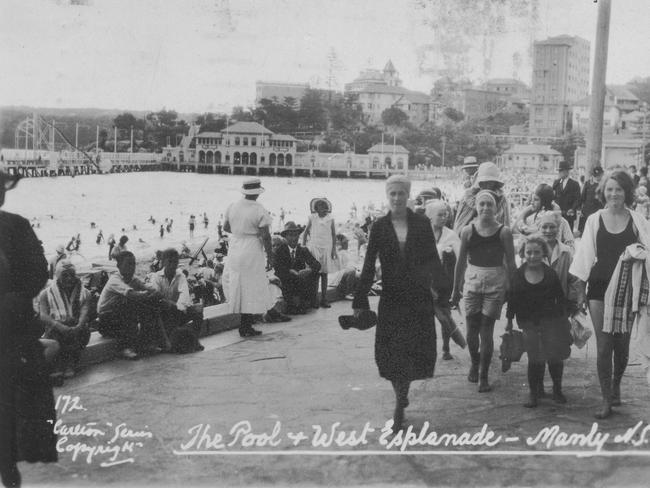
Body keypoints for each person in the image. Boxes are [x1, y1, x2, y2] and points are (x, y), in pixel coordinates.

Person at [352, 175, 443, 433]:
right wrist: (360, 300)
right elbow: (369, 264)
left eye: (401, 193)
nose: (396, 198)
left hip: (417, 297)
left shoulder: (422, 223)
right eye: (392, 194)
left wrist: (444, 291)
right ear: (387, 195)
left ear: (408, 196)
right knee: (392, 351)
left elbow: (432, 260)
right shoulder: (379, 227)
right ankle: (399, 398)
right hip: (391, 297)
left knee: (412, 348)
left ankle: (401, 397)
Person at [569, 169, 650, 419]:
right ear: (603, 192)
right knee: (604, 347)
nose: (613, 193)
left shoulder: (638, 220)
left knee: (622, 346)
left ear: (627, 192)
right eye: (609, 189)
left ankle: (615, 386)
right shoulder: (595, 219)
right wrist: (579, 290)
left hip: (628, 290)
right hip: (600, 287)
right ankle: (605, 399)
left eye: (619, 189)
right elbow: (584, 256)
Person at [0, 170, 57, 487]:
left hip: (11, 332)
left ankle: (9, 472)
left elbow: (38, 271)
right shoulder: (16, 225)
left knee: (11, 412)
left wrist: (13, 299)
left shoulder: (16, 226)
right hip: (14, 330)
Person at [452, 189, 516, 393]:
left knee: (486, 330)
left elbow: (512, 263)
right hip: (472, 282)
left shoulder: (504, 231)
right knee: (471, 328)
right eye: (482, 204)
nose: (486, 208)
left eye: (490, 204)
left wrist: (513, 289)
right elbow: (460, 262)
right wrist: (455, 290)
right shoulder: (468, 231)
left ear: (496, 209)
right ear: (476, 208)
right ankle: (474, 362)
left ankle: (484, 375)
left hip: (495, 283)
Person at [506, 236, 572, 408]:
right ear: (523, 253)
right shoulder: (518, 275)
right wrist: (508, 322)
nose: (532, 256)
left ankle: (557, 389)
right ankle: (534, 393)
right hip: (528, 323)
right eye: (529, 252)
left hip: (551, 322)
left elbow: (560, 299)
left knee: (554, 358)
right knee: (534, 358)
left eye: (536, 252)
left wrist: (564, 322)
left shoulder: (550, 274)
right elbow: (511, 300)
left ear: (543, 253)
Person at [222, 177, 275, 337]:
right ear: (258, 192)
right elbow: (266, 236)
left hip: (236, 247)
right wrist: (270, 256)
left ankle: (244, 324)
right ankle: (246, 325)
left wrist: (240, 233)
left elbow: (226, 227)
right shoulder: (259, 209)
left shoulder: (232, 206)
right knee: (252, 285)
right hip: (251, 248)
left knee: (239, 284)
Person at [96, 251, 165, 359]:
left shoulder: (133, 279)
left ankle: (146, 343)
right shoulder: (115, 279)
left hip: (120, 318)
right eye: (128, 264)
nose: (132, 267)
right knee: (129, 302)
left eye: (133, 264)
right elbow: (133, 294)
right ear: (119, 266)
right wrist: (149, 295)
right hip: (106, 321)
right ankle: (124, 348)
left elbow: (149, 288)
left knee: (149, 304)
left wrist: (155, 292)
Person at [38, 260, 92, 380]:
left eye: (72, 274)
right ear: (57, 276)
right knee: (60, 332)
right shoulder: (45, 294)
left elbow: (84, 312)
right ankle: (60, 365)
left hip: (78, 331)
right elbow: (43, 316)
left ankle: (69, 364)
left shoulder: (86, 293)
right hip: (56, 331)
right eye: (65, 275)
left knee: (72, 328)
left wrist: (78, 326)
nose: (69, 278)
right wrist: (60, 326)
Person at [149, 248, 204, 353]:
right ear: (163, 262)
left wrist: (176, 307)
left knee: (197, 311)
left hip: (177, 310)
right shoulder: (156, 277)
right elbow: (156, 297)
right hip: (163, 313)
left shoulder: (180, 276)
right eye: (170, 262)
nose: (173, 265)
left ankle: (194, 340)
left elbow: (184, 297)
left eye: (175, 262)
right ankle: (172, 342)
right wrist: (171, 305)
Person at [425, 200, 461, 360]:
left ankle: (446, 348)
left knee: (445, 316)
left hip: (443, 282)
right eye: (440, 215)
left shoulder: (451, 235)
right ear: (430, 217)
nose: (444, 217)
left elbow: (461, 258)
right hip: (424, 281)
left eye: (445, 214)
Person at [274, 222, 321, 314]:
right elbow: (278, 268)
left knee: (315, 273)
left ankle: (309, 300)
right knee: (289, 278)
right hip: (287, 279)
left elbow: (317, 265)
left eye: (296, 235)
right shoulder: (280, 250)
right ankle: (292, 305)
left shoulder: (303, 250)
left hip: (300, 278)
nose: (294, 238)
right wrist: (290, 271)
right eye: (290, 235)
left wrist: (309, 270)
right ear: (285, 237)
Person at [453, 162, 511, 234]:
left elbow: (505, 224)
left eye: (490, 182)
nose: (486, 185)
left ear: (495, 183)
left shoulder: (501, 199)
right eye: (483, 182)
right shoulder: (468, 197)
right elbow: (460, 225)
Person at [512, 183, 574, 250]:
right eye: (532, 199)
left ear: (545, 202)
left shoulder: (562, 222)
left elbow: (571, 248)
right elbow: (519, 243)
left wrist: (555, 246)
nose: (531, 202)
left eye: (536, 199)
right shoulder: (529, 220)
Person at [302, 197, 338, 308]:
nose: (324, 209)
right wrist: (304, 246)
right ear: (316, 208)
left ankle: (324, 298)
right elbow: (306, 232)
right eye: (321, 207)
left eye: (325, 207)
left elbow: (333, 234)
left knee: (324, 274)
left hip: (326, 247)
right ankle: (315, 299)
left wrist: (333, 249)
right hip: (315, 247)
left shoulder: (330, 219)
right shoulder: (312, 218)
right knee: (315, 273)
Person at [552, 161, 581, 232]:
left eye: (561, 171)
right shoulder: (556, 182)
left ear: (566, 171)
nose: (559, 173)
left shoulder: (574, 184)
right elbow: (552, 196)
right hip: (558, 213)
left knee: (568, 234)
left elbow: (577, 199)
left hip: (569, 214)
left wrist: (573, 209)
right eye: (559, 171)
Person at [578, 166, 604, 234]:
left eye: (599, 175)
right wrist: (580, 209)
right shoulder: (587, 183)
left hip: (598, 210)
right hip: (587, 211)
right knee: (585, 231)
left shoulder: (604, 184)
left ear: (602, 174)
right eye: (595, 176)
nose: (597, 177)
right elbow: (583, 197)